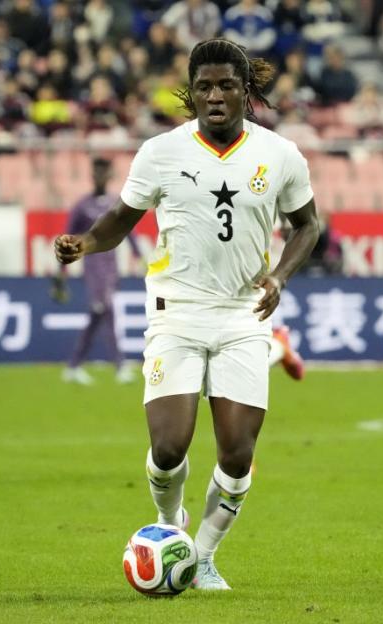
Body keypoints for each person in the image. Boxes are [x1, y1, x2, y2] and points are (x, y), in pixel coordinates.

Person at [54, 38, 319, 590]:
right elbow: (120, 219)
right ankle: (167, 522)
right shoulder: (160, 153)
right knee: (168, 447)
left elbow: (308, 225)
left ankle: (200, 555)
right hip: (176, 311)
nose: (215, 96)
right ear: (190, 95)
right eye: (204, 87)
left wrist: (280, 276)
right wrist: (83, 243)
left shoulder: (280, 155)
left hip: (245, 314)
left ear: (246, 93)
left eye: (226, 85)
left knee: (238, 452)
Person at [62, 157, 138, 386]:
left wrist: (138, 254)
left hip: (111, 267)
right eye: (96, 172)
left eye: (103, 172)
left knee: (97, 315)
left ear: (110, 176)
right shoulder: (82, 206)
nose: (99, 177)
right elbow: (68, 239)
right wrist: (61, 270)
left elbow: (128, 230)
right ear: (92, 176)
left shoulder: (115, 203)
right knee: (107, 310)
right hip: (93, 267)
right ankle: (120, 365)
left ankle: (73, 366)